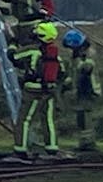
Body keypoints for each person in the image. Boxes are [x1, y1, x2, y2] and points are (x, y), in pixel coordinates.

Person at [9, 21, 68, 159]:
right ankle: (52, 148)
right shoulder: (55, 54)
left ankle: (20, 149)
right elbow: (62, 72)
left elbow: (13, 57)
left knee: (24, 119)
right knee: (48, 119)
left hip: (32, 90)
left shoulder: (32, 50)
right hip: (49, 91)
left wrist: (12, 44)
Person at [62, 29, 101, 151]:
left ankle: (88, 143)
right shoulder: (77, 55)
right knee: (81, 118)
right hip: (80, 90)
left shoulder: (89, 55)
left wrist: (77, 60)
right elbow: (73, 73)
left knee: (85, 118)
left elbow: (84, 69)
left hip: (89, 90)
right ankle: (83, 142)